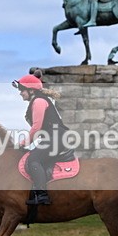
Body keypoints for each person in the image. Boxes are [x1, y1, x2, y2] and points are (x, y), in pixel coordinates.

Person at [12, 69, 73, 206]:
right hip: (53, 137)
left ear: (31, 90)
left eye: (22, 90)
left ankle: (42, 195)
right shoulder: (37, 100)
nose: (20, 93)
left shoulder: (39, 101)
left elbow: (36, 127)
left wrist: (23, 143)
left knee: (33, 160)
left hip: (56, 137)